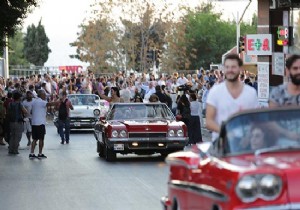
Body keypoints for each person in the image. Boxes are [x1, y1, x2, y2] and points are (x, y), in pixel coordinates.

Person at [206, 54, 259, 141]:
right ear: (223, 69)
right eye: (227, 67)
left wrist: (248, 136)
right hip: (221, 144)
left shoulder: (251, 93)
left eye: (233, 67)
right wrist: (227, 133)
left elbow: (255, 119)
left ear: (240, 68)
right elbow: (209, 122)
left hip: (245, 144)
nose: (230, 70)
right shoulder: (215, 91)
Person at [29, 90, 58, 159]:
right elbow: (50, 104)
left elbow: (31, 111)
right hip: (40, 123)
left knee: (34, 139)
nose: (45, 96)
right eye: (44, 95)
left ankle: (32, 153)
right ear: (41, 95)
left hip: (34, 123)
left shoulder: (34, 101)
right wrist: (58, 102)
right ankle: (40, 153)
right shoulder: (41, 102)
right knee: (41, 139)